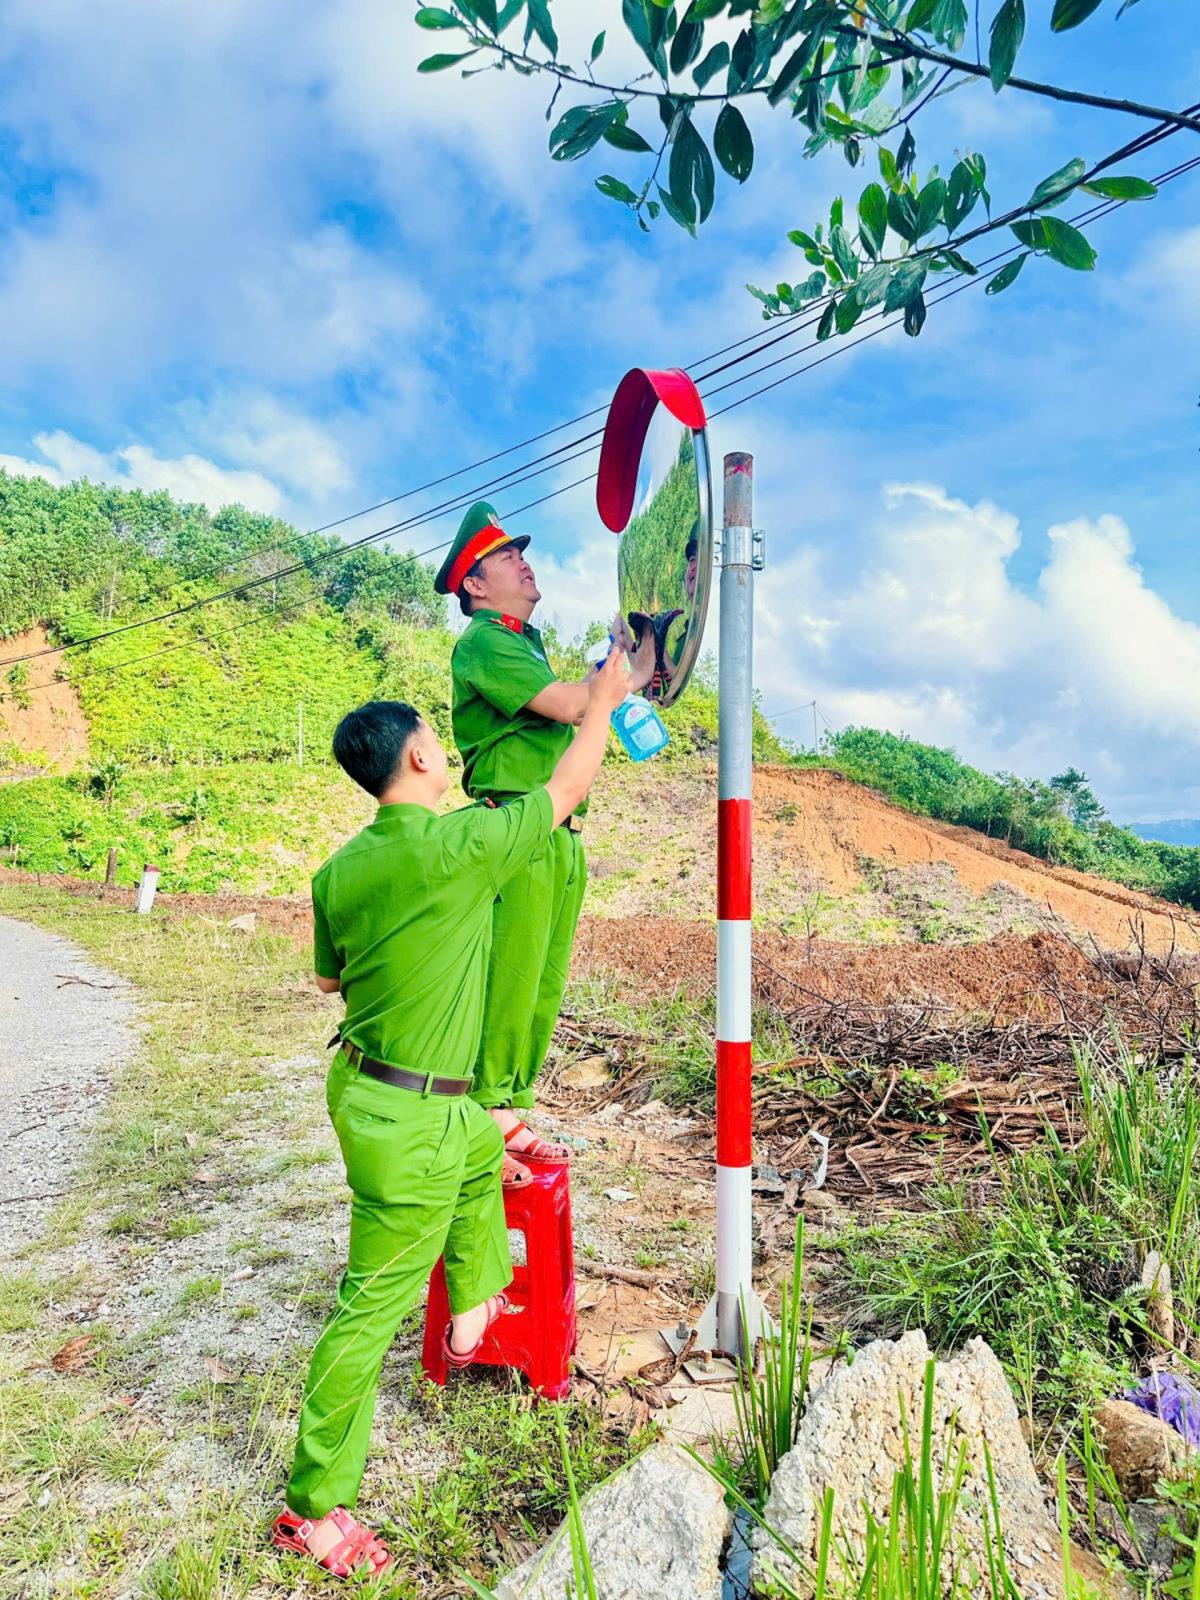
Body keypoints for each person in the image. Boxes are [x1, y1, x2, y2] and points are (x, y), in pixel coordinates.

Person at [272, 646, 631, 1579]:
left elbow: (326, 977)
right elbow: (565, 788)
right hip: (410, 1122)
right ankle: (313, 1507)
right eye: (437, 740)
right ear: (423, 759)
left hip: (363, 1089)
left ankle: (473, 1294)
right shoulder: (460, 847)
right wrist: (606, 700)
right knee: (368, 1309)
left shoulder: (340, 871)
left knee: (483, 1140)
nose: (444, 751)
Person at [434, 502, 655, 1186]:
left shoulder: (522, 643)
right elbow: (572, 705)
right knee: (511, 972)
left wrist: (646, 643)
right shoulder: (484, 641)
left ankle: (513, 1101)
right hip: (520, 824)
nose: (525, 564)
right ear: (475, 584)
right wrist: (617, 671)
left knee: (543, 975)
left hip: (558, 832)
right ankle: (490, 1107)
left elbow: (608, 692)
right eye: (507, 558)